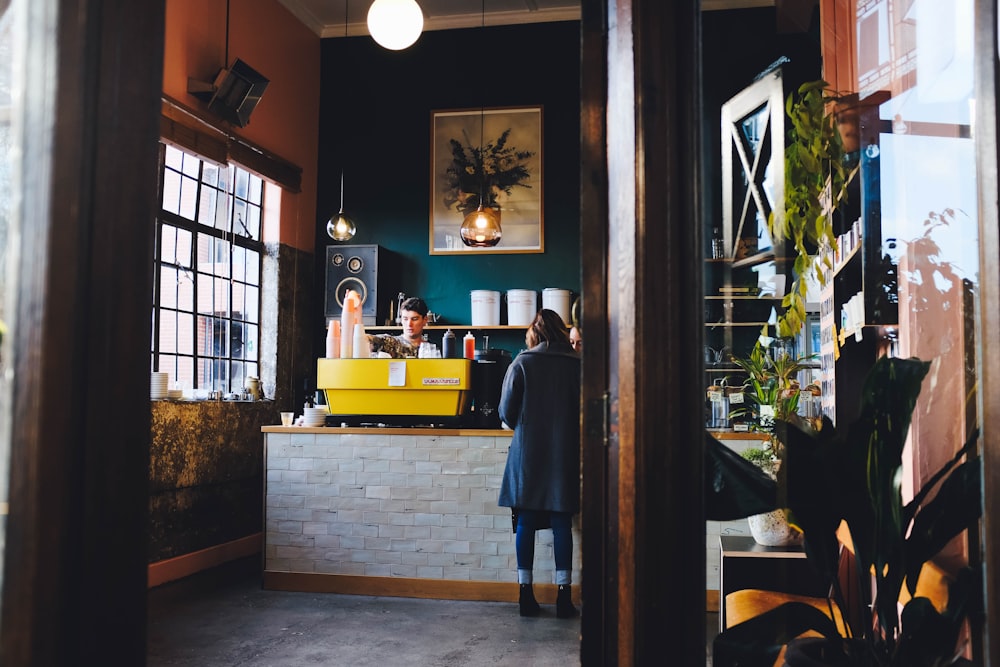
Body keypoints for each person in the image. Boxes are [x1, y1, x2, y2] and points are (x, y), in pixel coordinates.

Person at [497, 308, 581, 618]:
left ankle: (525, 595)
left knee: (527, 522)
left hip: (528, 455)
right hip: (565, 453)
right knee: (562, 524)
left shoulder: (523, 362)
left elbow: (506, 413)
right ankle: (563, 598)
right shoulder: (579, 364)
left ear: (535, 333)